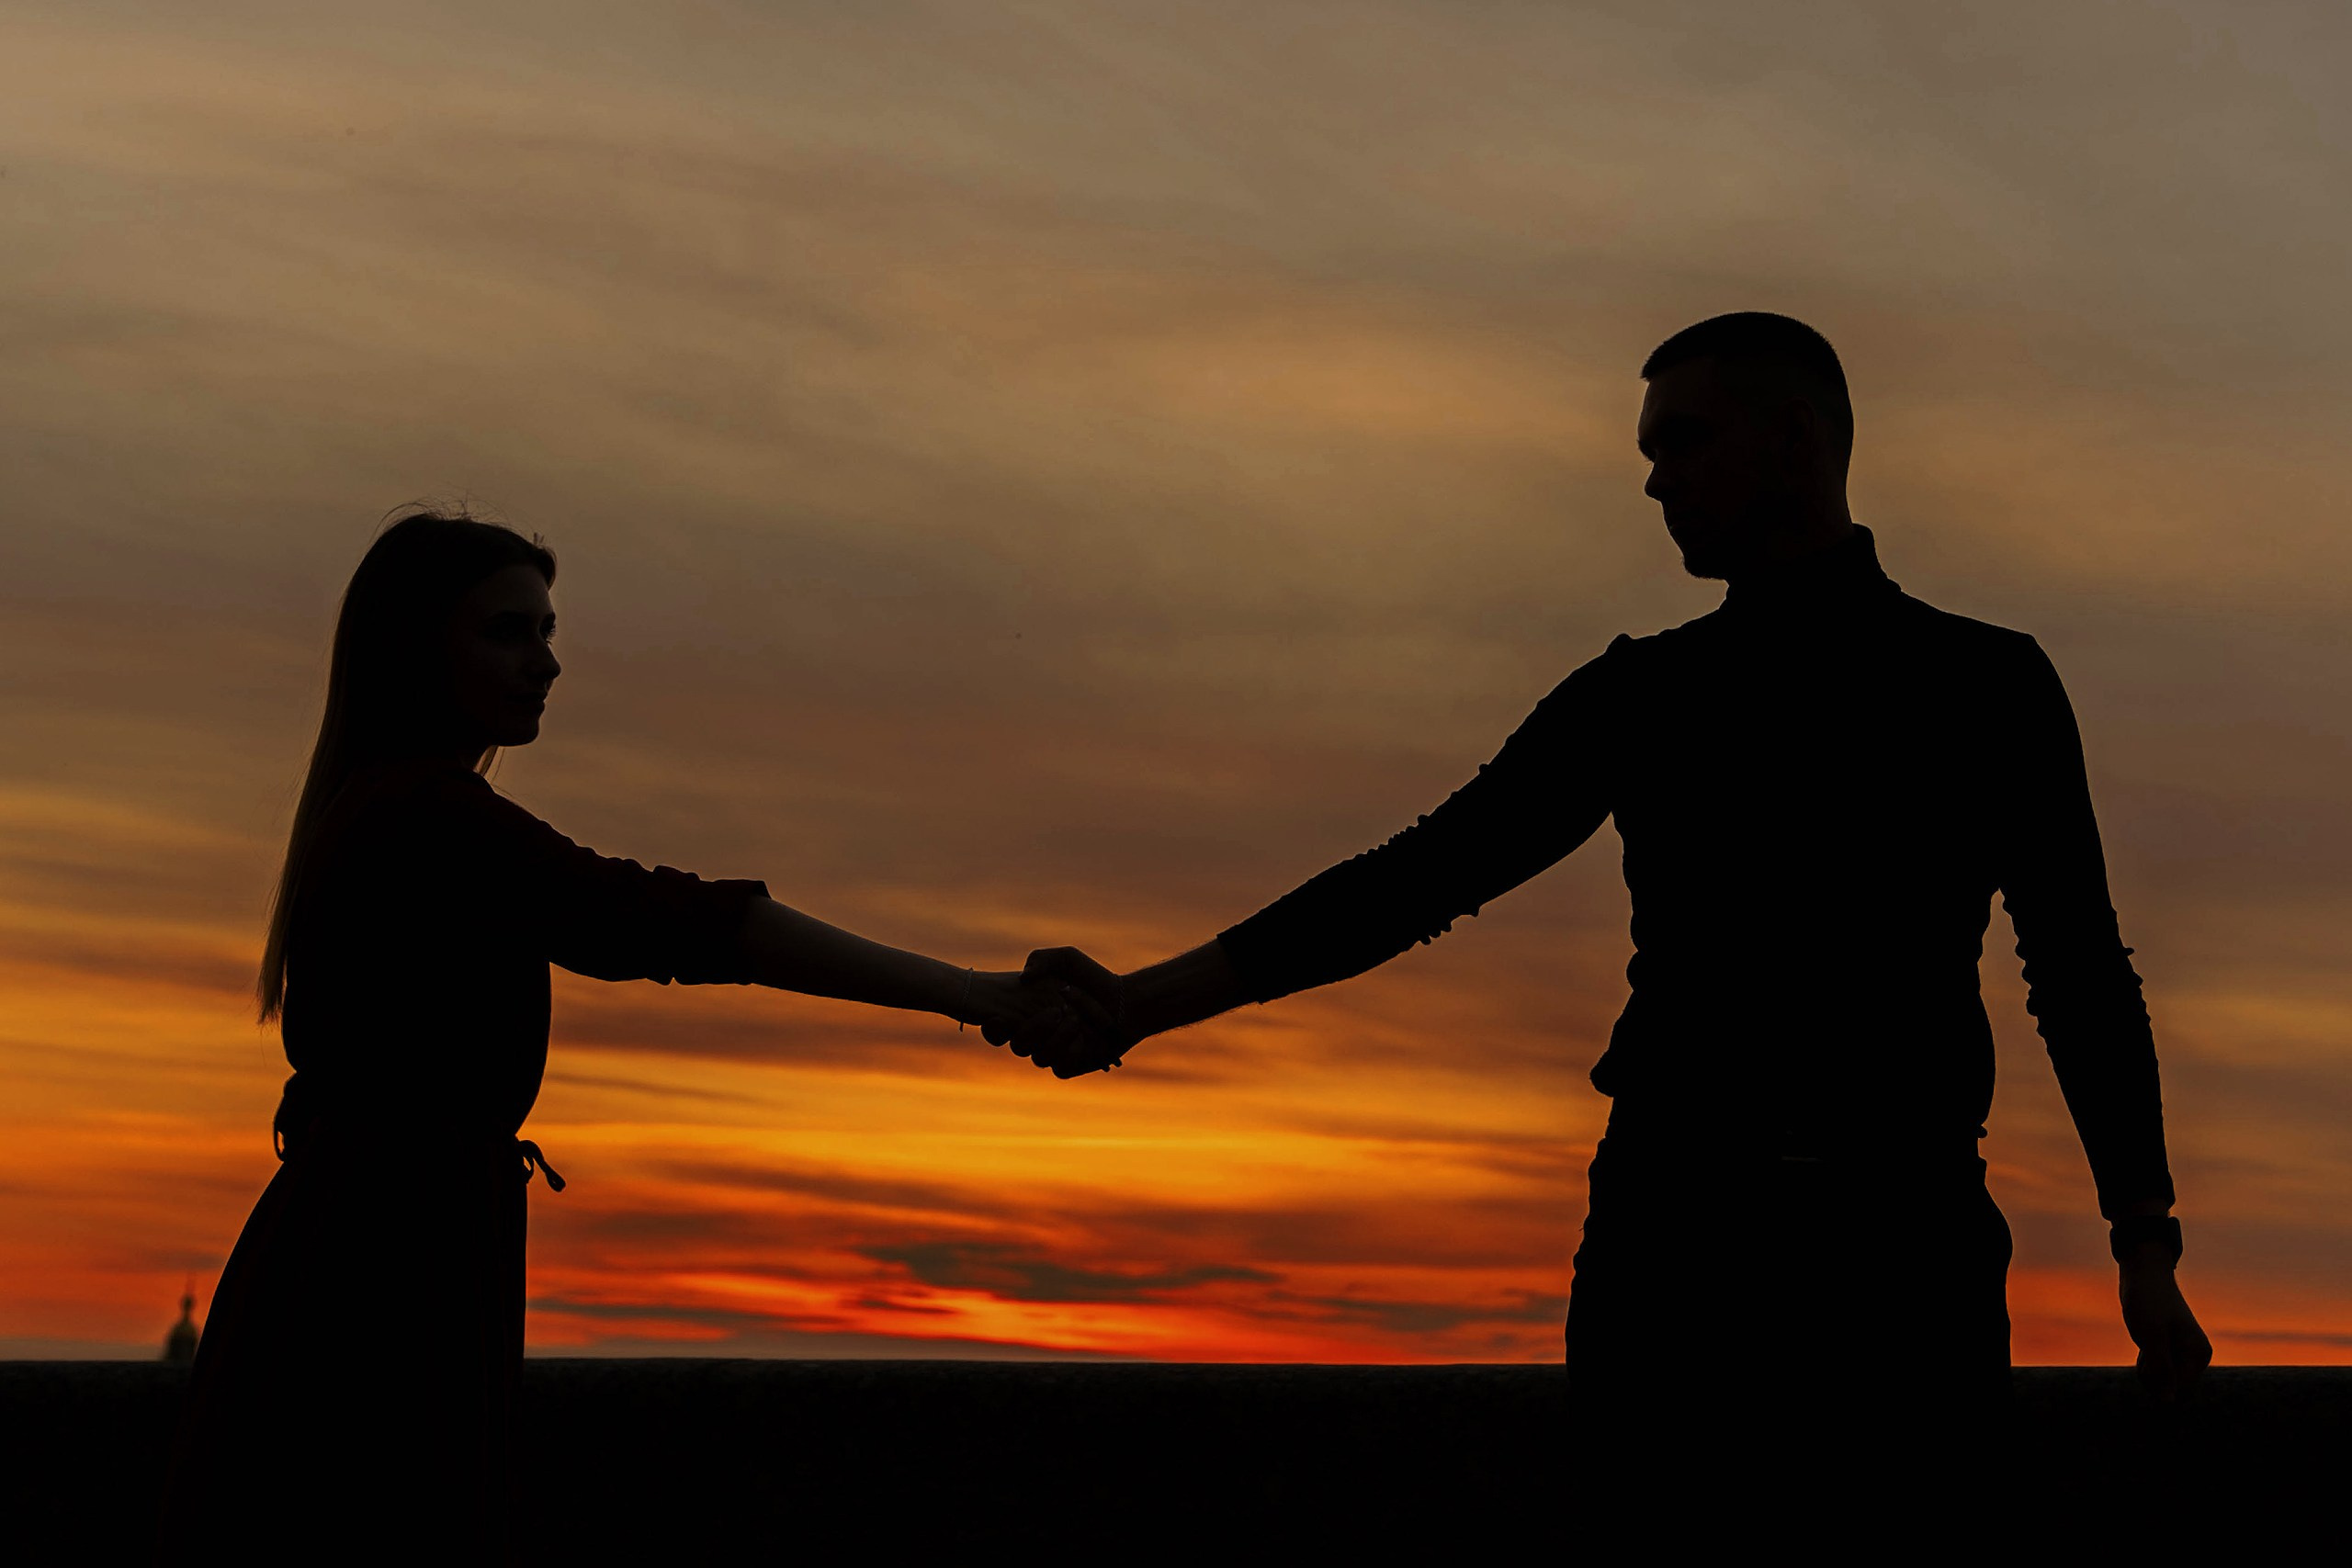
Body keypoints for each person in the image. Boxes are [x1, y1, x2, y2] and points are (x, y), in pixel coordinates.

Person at [1010, 313, 2211, 1497]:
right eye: (1651, 451)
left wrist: (2143, 1241)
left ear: (1797, 440)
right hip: (1678, 1249)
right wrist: (1140, 1004)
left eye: (1684, 443)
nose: (1655, 481)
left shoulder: (1986, 686)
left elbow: (2081, 970)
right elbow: (1423, 874)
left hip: (1900, 1252)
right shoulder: (1645, 692)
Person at [158, 512, 1053, 1562]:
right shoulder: (428, 818)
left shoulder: (395, 809)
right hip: (384, 1273)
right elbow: (677, 923)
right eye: (507, 632)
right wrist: (977, 993)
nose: (546, 664)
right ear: (416, 646)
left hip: (381, 1245)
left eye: (545, 631)